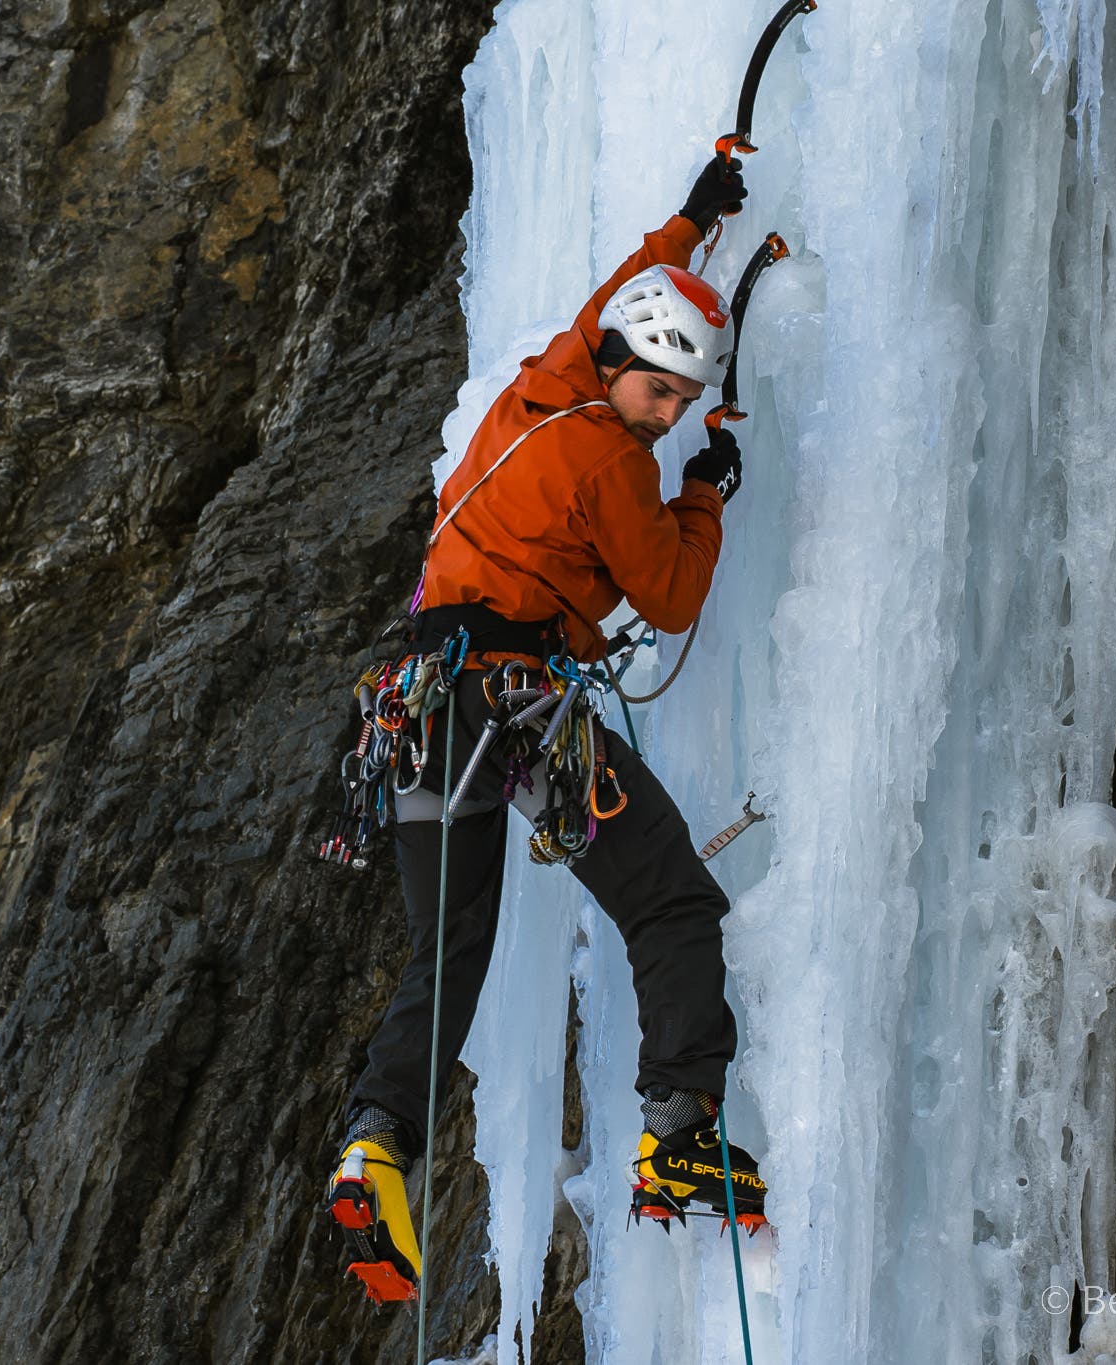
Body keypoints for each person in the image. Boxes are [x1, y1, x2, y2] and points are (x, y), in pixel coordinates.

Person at [327, 152, 767, 1304]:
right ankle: (678, 1130)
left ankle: (376, 1147)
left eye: (679, 402)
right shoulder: (611, 464)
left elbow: (606, 301)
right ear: (620, 374)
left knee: (447, 948)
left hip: (415, 705)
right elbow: (667, 596)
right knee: (666, 896)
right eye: (658, 396)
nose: (665, 415)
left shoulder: (546, 386)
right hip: (511, 706)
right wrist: (705, 489)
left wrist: (687, 226)